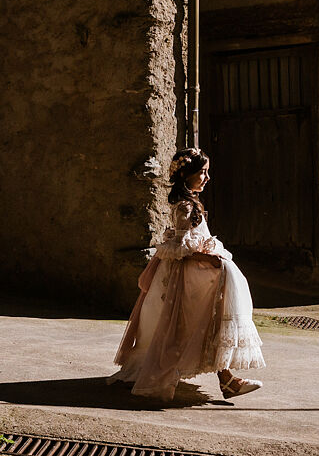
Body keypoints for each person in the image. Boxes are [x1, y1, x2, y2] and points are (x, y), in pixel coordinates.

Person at [109, 147, 265, 403]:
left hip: (196, 276)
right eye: (202, 172)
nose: (207, 178)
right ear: (186, 175)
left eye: (207, 172)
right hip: (187, 279)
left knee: (206, 322)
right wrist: (213, 260)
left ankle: (227, 379)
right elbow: (182, 249)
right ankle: (226, 379)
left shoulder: (191, 203)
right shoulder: (185, 206)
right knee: (196, 324)